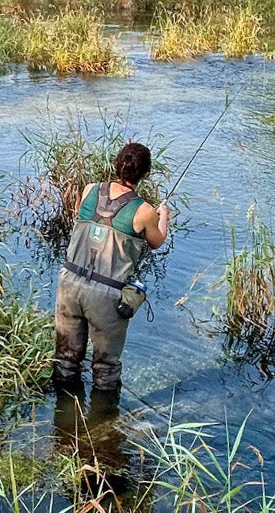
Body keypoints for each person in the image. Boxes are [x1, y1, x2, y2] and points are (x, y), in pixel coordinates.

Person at [53, 142, 171, 392]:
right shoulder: (145, 211)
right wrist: (164, 217)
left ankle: (63, 419)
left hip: (70, 282)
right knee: (106, 370)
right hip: (106, 294)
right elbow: (157, 242)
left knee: (65, 360)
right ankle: (104, 424)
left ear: (116, 164)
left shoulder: (89, 190)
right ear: (145, 173)